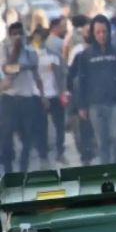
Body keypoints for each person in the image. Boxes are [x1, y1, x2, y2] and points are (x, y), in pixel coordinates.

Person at [75, 15, 116, 164]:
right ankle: (106, 171)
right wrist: (81, 106)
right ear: (93, 33)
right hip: (95, 104)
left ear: (109, 32)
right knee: (102, 142)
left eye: (104, 31)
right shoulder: (85, 55)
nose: (102, 35)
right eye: (98, 32)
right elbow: (81, 81)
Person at [0, 22, 44, 172]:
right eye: (14, 34)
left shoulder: (30, 52)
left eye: (20, 33)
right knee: (6, 137)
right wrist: (16, 52)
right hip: (9, 98)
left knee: (27, 137)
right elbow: (6, 69)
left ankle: (24, 168)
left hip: (27, 97)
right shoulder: (4, 49)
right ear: (10, 36)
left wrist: (42, 95)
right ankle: (8, 170)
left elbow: (36, 73)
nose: (18, 37)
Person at [31, 27, 66, 166]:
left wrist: (63, 91)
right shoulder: (31, 56)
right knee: (41, 127)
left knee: (59, 126)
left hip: (54, 95)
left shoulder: (54, 55)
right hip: (38, 96)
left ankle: (60, 152)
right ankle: (43, 155)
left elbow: (62, 73)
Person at [66, 15, 95, 164]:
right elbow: (71, 76)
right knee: (81, 130)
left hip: (97, 97)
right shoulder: (77, 52)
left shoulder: (101, 50)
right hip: (80, 97)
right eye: (86, 31)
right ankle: (86, 156)